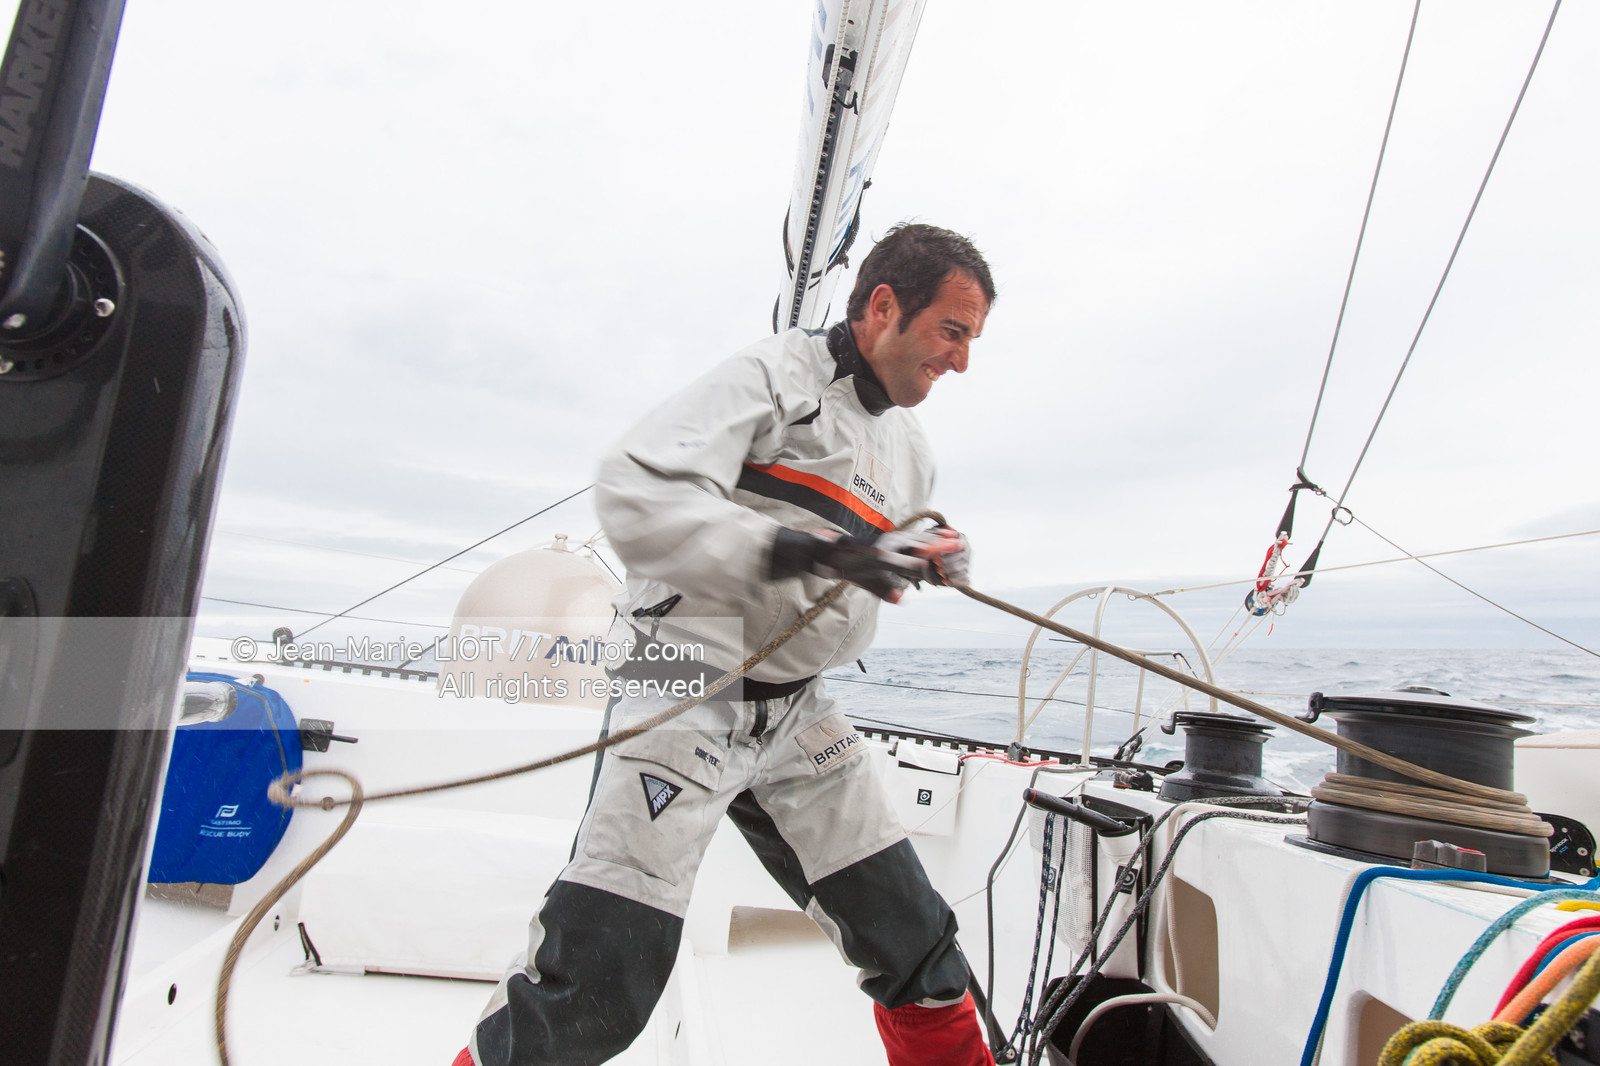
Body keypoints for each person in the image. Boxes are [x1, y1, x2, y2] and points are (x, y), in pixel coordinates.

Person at [456, 223, 997, 1066]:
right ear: (884, 306)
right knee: (599, 984)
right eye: (953, 331)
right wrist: (823, 553)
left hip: (800, 709)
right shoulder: (773, 378)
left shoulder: (911, 454)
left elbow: (871, 559)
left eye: (972, 340)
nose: (962, 361)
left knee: (920, 950)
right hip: (685, 684)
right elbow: (635, 488)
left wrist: (926, 554)